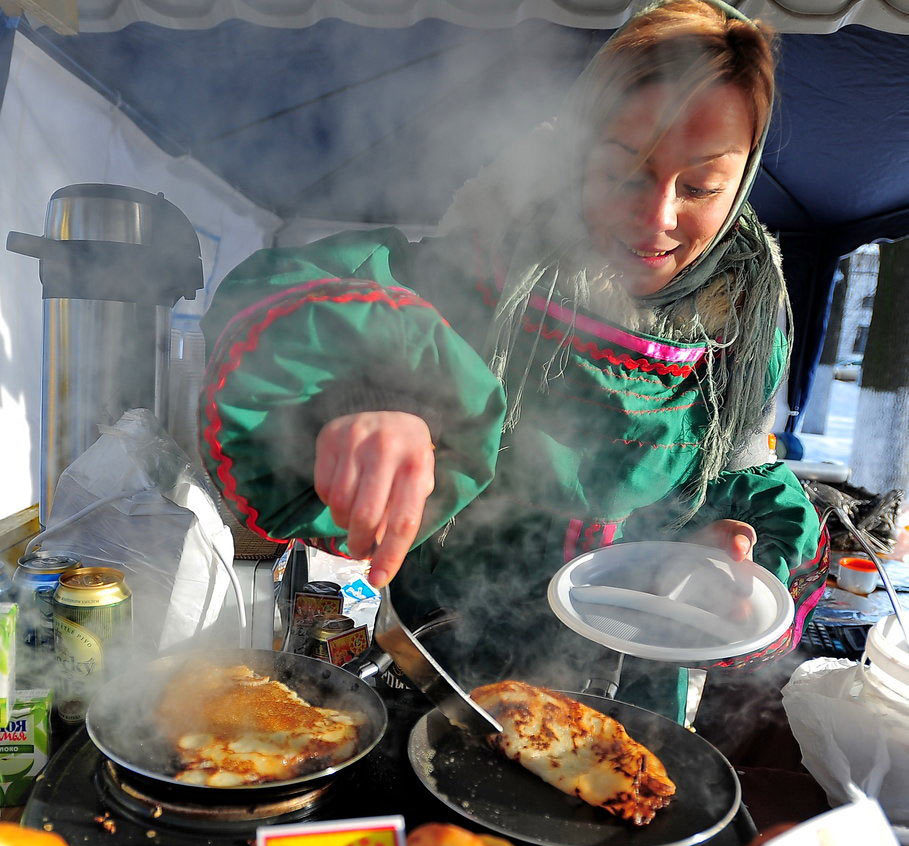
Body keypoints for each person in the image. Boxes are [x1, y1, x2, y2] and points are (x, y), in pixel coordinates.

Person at [199, 0, 827, 724]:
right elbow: (302, 312)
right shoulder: (475, 276)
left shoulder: (738, 334)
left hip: (632, 690)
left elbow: (735, 476)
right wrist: (364, 398)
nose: (656, 216)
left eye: (699, 187)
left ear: (742, 181)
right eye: (624, 170)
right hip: (443, 674)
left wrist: (718, 542)